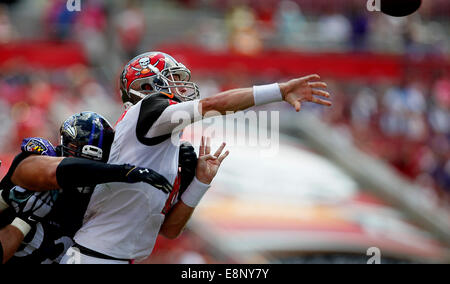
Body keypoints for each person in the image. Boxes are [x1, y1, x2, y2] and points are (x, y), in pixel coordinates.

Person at [62, 51, 331, 264]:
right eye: (172, 78)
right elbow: (213, 106)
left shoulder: (161, 144)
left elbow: (170, 230)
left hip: (113, 257)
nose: (181, 85)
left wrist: (200, 183)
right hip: (93, 256)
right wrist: (278, 92)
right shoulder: (147, 110)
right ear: (146, 85)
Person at [0, 112, 173, 263]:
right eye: (83, 159)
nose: (89, 167)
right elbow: (60, 171)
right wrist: (24, 221)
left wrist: (190, 178)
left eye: (95, 163)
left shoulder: (97, 195)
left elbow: (166, 228)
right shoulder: (36, 162)